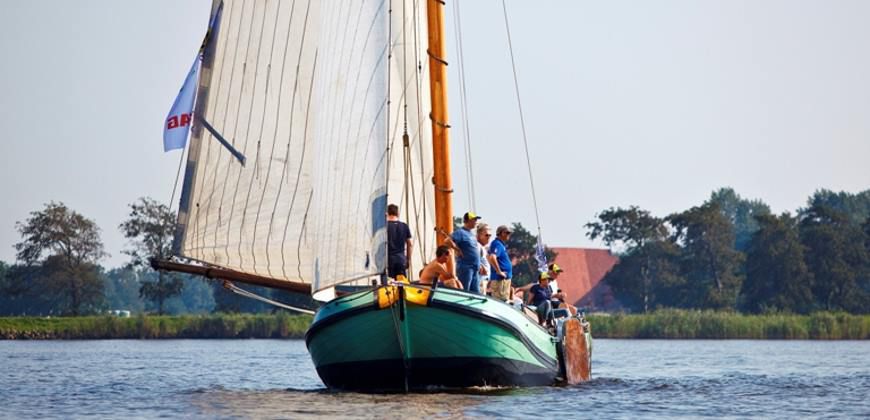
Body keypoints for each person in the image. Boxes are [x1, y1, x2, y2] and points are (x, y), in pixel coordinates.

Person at [444, 211, 481, 293]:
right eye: (474, 220)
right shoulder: (460, 232)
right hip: (466, 267)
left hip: (475, 268)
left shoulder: (471, 234)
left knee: (476, 292)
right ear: (468, 220)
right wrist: (457, 249)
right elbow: (447, 241)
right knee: (465, 291)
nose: (476, 222)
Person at [386, 204, 412, 279]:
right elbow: (410, 244)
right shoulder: (404, 226)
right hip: (401, 259)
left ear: (387, 213)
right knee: (402, 284)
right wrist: (408, 259)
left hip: (389, 260)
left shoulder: (385, 227)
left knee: (390, 284)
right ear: (397, 213)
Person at [488, 225, 513, 301]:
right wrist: (499, 271)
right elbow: (492, 257)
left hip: (503, 280)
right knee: (501, 301)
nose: (509, 235)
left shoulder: (500, 244)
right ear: (501, 233)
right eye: (507, 233)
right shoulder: (497, 244)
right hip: (500, 281)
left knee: (504, 300)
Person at [476, 224, 498, 295]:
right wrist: (481, 266)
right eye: (486, 235)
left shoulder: (482, 247)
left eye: (490, 235)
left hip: (483, 280)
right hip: (480, 280)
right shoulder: (478, 246)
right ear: (479, 235)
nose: (488, 237)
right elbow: (473, 259)